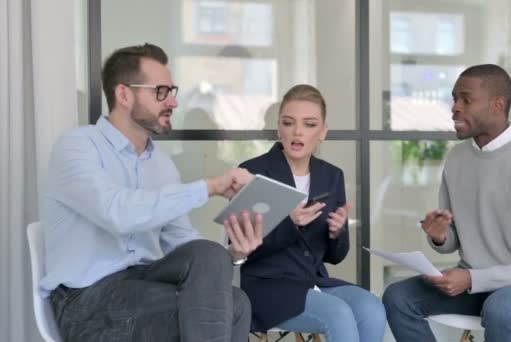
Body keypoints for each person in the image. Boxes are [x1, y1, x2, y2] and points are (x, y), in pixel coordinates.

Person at [41, 43, 264, 342]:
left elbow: (184, 245)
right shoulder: (77, 147)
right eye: (161, 91)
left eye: (172, 91)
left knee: (229, 288)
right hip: (85, 302)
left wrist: (234, 255)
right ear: (124, 94)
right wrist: (210, 187)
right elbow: (118, 213)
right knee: (226, 308)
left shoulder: (162, 165)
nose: (172, 102)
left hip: (143, 287)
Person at [382, 64, 511, 342]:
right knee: (398, 297)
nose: (455, 108)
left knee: (501, 308)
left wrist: (471, 279)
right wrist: (440, 236)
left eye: (466, 100)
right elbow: (453, 241)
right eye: (454, 98)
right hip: (477, 287)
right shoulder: (457, 159)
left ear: (497, 105)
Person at [238, 84, 386, 342]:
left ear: (322, 132)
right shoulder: (253, 172)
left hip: (313, 282)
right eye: (288, 123)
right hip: (266, 286)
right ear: (279, 128)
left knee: (372, 307)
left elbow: (336, 256)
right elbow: (239, 249)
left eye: (309, 124)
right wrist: (289, 224)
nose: (297, 132)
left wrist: (337, 232)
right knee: (338, 314)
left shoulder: (331, 176)